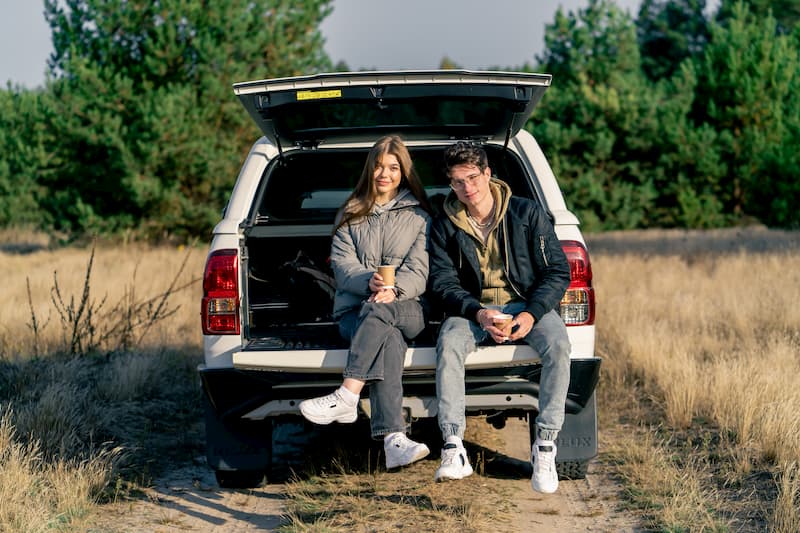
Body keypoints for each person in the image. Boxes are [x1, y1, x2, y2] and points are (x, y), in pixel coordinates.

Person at [427, 141, 572, 493]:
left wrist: (531, 314)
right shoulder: (443, 223)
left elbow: (557, 271)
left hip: (526, 304)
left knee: (559, 345)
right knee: (448, 344)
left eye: (473, 178)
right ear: (450, 182)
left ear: (488, 173)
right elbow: (441, 282)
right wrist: (478, 313)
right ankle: (453, 446)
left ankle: (546, 445)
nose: (467, 189)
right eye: (458, 182)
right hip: (474, 311)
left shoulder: (527, 213)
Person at [299, 135, 433, 470]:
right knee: (387, 336)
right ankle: (394, 440)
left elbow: (420, 269)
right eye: (378, 166)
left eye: (393, 167)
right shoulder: (350, 213)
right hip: (355, 312)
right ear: (368, 170)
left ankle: (347, 394)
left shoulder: (420, 217)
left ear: (404, 172)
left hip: (408, 308)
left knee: (383, 310)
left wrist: (396, 289)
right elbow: (342, 267)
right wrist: (368, 281)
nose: (384, 174)